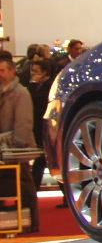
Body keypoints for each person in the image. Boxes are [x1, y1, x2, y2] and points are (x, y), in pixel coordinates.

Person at [0, 52, 39, 231]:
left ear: (12, 71)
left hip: (18, 149)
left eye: (2, 70)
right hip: (4, 148)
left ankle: (32, 222)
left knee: (25, 185)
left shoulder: (21, 93)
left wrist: (17, 146)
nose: (0, 74)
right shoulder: (4, 92)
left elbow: (24, 122)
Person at [26, 59, 53, 191]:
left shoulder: (49, 86)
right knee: (42, 160)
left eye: (36, 71)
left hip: (46, 128)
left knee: (43, 160)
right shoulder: (37, 86)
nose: (33, 73)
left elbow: (37, 102)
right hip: (38, 128)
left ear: (45, 73)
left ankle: (32, 189)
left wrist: (31, 85)